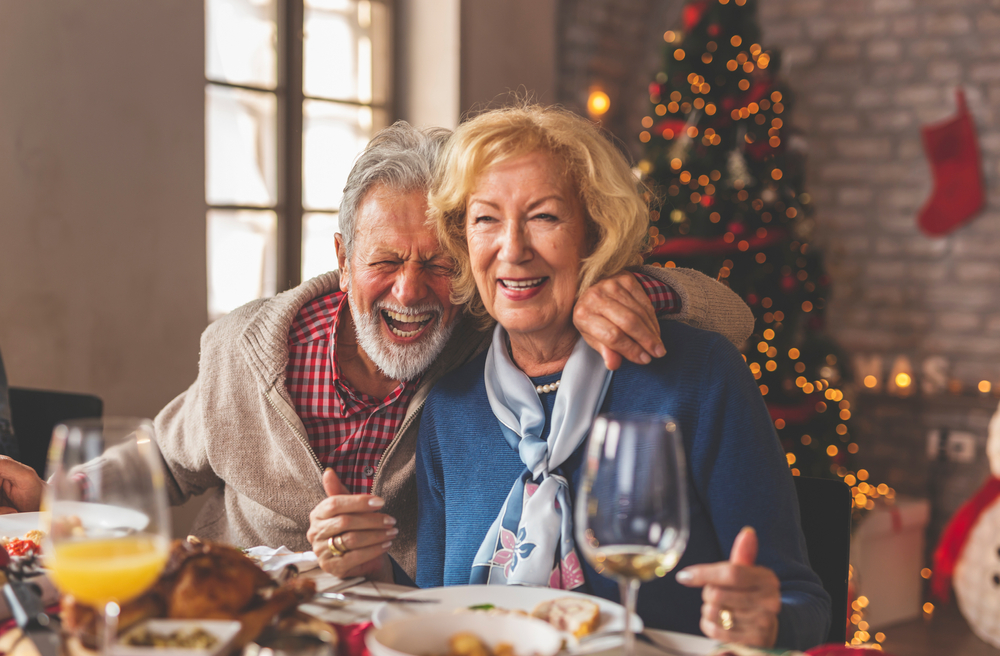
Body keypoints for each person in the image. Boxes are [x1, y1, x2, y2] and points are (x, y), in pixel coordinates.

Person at [0, 121, 752, 584]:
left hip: (399, 625)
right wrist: (55, 494)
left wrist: (621, 288)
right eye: (386, 260)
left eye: (437, 261)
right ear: (341, 255)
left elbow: (731, 317)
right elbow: (161, 459)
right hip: (248, 625)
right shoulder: (247, 352)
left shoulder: (485, 345)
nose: (411, 289)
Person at [415, 104, 830, 649]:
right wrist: (363, 562)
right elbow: (431, 617)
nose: (512, 249)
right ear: (463, 241)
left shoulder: (698, 377)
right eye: (485, 219)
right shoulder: (448, 408)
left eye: (544, 216)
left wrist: (765, 619)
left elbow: (802, 601)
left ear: (595, 233)